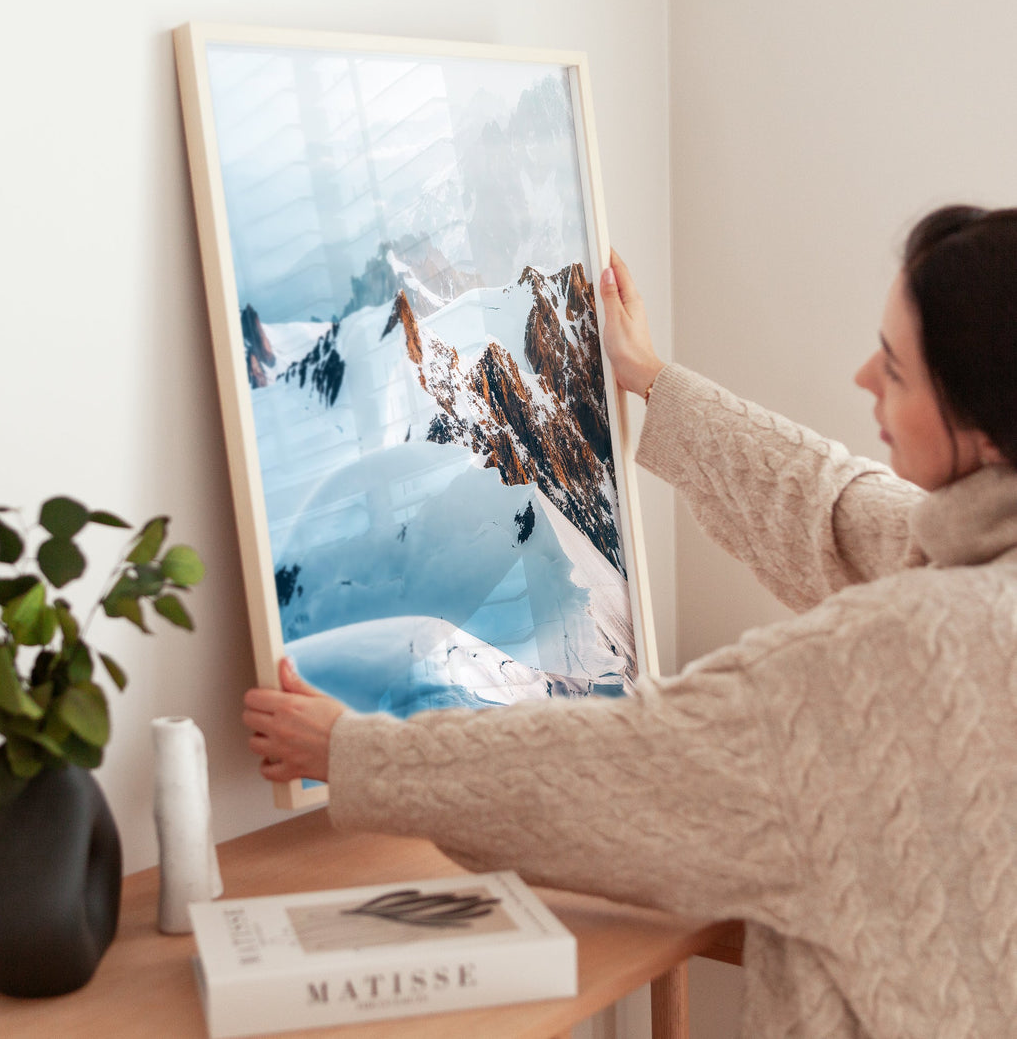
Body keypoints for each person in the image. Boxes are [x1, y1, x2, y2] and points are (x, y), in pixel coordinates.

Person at [242, 205, 1017, 1038]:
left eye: (897, 371)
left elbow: (625, 767)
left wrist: (352, 753)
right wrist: (651, 379)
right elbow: (836, 510)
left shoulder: (898, 656)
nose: (864, 377)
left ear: (982, 427)